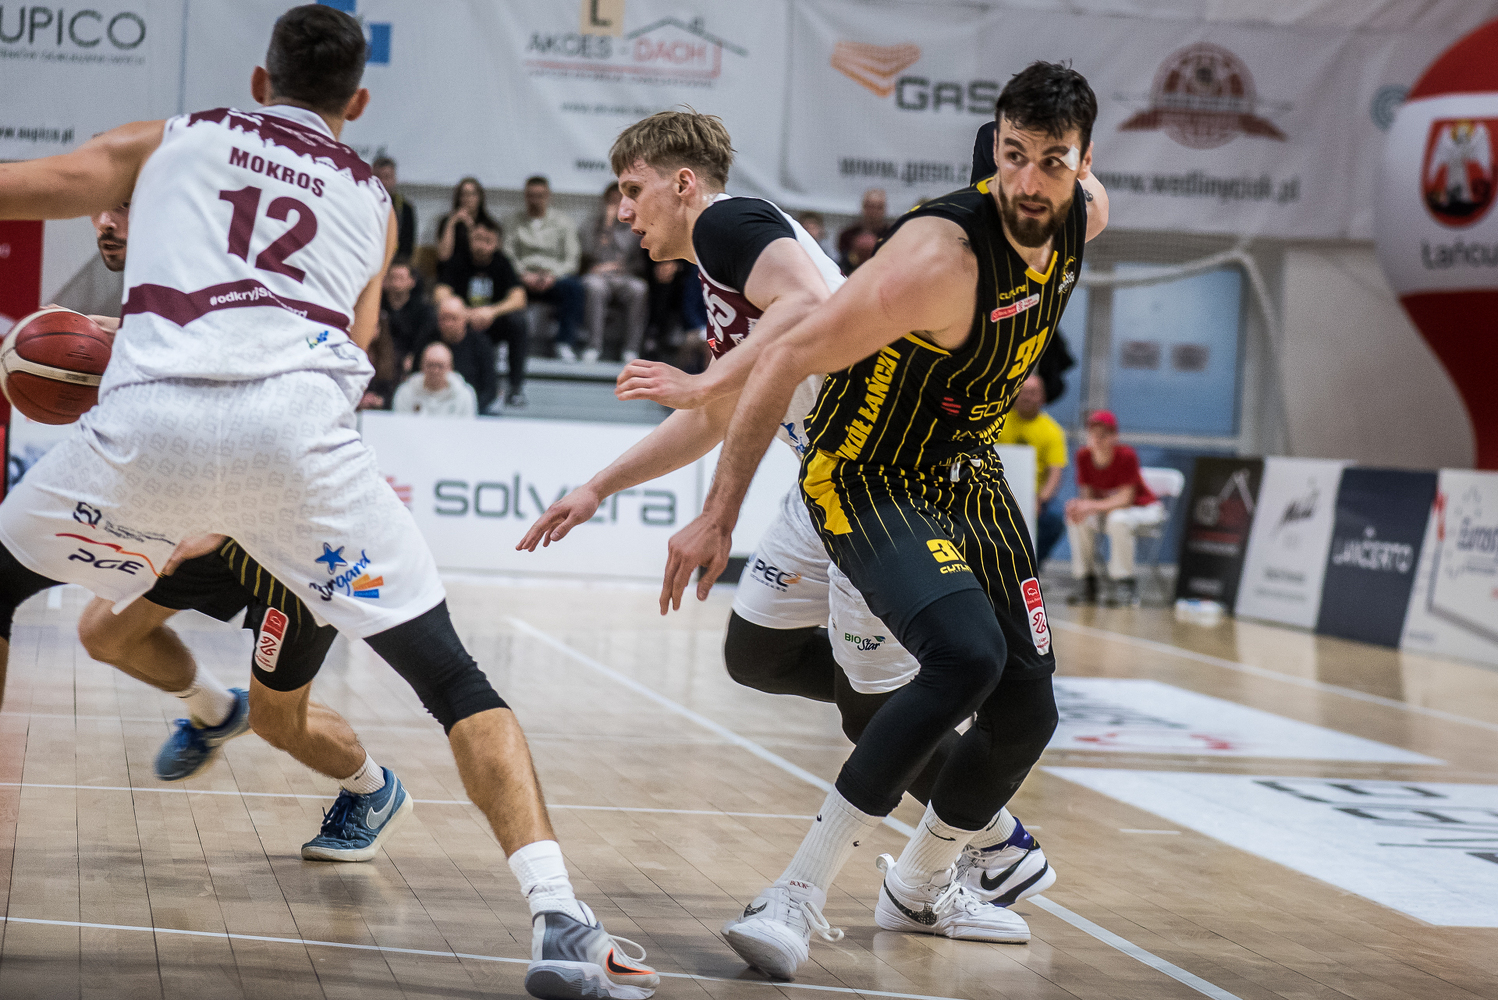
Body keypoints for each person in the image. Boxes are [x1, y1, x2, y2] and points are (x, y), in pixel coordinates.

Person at [0, 8, 657, 997]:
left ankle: (351, 781)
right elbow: (354, 345)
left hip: (157, 436)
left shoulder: (172, 139)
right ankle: (560, 915)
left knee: (235, 695)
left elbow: (32, 187)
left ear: (258, 83)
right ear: (358, 101)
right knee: (453, 679)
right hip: (299, 453)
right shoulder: (374, 200)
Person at [520, 107, 1063, 967]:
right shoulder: (721, 269)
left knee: (877, 705)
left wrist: (705, 386)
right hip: (819, 480)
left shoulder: (728, 223)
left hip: (871, 474)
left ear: (683, 183)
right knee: (757, 656)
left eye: (632, 190)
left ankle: (957, 853)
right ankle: (988, 831)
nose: (623, 213)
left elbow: (805, 310)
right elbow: (722, 413)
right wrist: (599, 486)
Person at [659, 63, 1108, 979]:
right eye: (1013, 155)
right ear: (995, 150)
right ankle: (793, 895)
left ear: (1084, 164)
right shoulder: (936, 259)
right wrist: (717, 513)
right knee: (965, 658)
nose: (1029, 182)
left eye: (1052, 161)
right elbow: (782, 357)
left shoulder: (1086, 215)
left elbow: (1074, 202)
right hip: (868, 473)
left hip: (965, 466)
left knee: (1030, 711)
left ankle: (921, 883)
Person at [1063, 409, 1164, 606]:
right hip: (1109, 512)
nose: (1098, 439)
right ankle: (1086, 581)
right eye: (1093, 433)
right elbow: (1087, 498)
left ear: (1114, 436)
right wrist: (1080, 507)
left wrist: (1089, 505)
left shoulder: (1126, 455)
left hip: (1143, 509)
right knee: (1077, 517)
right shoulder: (1083, 456)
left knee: (1118, 519)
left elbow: (1126, 499)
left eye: (1104, 434)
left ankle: (1124, 583)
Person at [437, 221, 528, 407]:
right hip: (463, 322)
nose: (481, 245)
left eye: (487, 240)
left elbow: (519, 298)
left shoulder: (502, 262)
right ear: (469, 240)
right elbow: (440, 293)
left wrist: (491, 311)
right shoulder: (458, 260)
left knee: (518, 322)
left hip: (492, 322)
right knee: (439, 319)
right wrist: (464, 313)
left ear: (496, 243)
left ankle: (515, 387)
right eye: (477, 239)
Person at [506, 175, 585, 360]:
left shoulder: (563, 222)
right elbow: (507, 255)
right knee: (504, 284)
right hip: (523, 277)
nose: (535, 200)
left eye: (540, 195)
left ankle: (564, 343)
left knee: (574, 288)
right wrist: (524, 274)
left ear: (549, 196)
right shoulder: (512, 221)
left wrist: (552, 275)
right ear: (525, 196)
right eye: (531, 196)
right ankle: (505, 343)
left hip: (554, 278)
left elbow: (572, 259)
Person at [995, 374, 1068, 564]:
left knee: (1054, 519)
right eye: (1023, 392)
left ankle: (1032, 564)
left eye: (1033, 393)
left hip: (1035, 496)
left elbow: (1055, 474)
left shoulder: (1052, 431)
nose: (1027, 397)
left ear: (1042, 397)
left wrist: (1040, 500)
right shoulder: (997, 422)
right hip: (995, 492)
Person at [581, 182, 648, 363]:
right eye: (611, 201)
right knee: (594, 287)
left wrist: (622, 268)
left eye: (618, 201)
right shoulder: (592, 225)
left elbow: (640, 263)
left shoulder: (635, 227)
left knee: (639, 289)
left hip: (624, 276)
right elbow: (587, 253)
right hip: (597, 275)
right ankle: (593, 346)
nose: (614, 205)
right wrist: (606, 226)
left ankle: (631, 349)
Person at [420, 292, 497, 412]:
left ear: (464, 319)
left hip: (470, 407)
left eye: (453, 318)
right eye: (444, 318)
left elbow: (490, 389)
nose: (448, 324)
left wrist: (467, 408)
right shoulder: (426, 340)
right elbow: (417, 376)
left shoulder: (481, 344)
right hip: (429, 407)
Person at [435, 176, 500, 285]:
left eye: (472, 194)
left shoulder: (489, 224)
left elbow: (493, 254)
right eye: (463, 194)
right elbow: (443, 256)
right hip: (452, 272)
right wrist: (452, 223)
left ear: (479, 197)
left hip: (479, 273)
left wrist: (471, 227)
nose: (467, 198)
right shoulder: (447, 222)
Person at [392, 341, 477, 417]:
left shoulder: (464, 396)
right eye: (430, 365)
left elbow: (467, 426)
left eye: (440, 366)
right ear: (422, 366)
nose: (435, 370)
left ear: (450, 368)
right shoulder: (405, 393)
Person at [380, 257, 435, 367]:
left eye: (401, 278)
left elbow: (423, 340)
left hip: (411, 361)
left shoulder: (423, 311)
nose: (396, 283)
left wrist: (413, 356)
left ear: (412, 281)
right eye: (393, 278)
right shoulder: (377, 307)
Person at [372, 155, 415, 260]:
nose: (382, 182)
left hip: (395, 261)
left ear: (394, 179)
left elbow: (406, 247)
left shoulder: (405, 208)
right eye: (378, 177)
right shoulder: (363, 204)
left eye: (387, 177)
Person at [836, 187, 888, 274]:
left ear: (884, 209)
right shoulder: (847, 235)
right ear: (863, 207)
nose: (874, 211)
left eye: (878, 207)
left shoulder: (892, 235)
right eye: (870, 206)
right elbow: (843, 265)